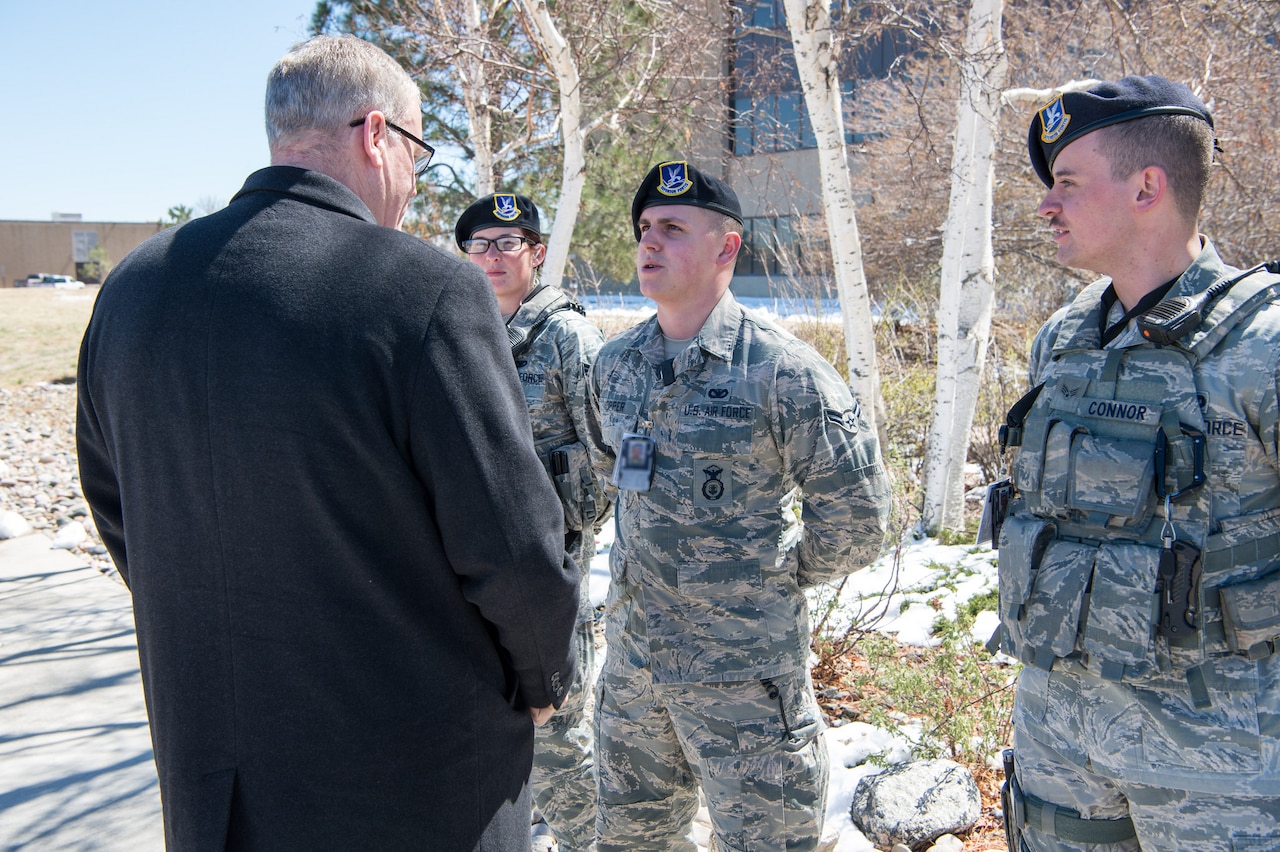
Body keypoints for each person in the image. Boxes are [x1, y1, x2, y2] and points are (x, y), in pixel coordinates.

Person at [75, 34, 580, 850]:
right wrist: (544, 680)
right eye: (418, 151)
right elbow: (514, 546)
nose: (416, 185)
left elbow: (121, 511)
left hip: (217, 787)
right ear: (375, 134)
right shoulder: (423, 290)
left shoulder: (133, 288)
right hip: (413, 791)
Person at [995, 75, 1280, 850]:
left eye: (1067, 183)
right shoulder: (1063, 338)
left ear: (1147, 186)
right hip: (1061, 749)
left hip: (1217, 767)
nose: (1046, 204)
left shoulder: (1262, 347)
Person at [585, 160, 893, 851]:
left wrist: (764, 582)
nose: (648, 244)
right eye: (643, 229)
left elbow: (858, 521)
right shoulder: (617, 365)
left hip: (744, 685)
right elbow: (616, 479)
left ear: (727, 247)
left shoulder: (784, 372)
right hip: (635, 676)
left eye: (671, 228)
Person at [455, 193, 609, 851]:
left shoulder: (567, 336)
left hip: (553, 568)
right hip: (481, 572)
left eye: (507, 243)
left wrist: (551, 511)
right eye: (479, 245)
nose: (491, 256)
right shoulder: (462, 331)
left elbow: (614, 453)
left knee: (561, 739)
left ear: (537, 254)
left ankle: (589, 840)